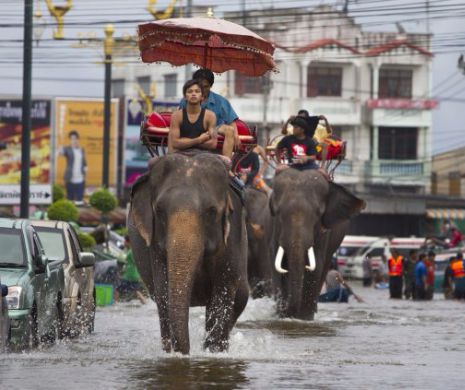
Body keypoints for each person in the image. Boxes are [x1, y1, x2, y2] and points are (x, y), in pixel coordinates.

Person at [180, 68, 239, 158]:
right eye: (200, 86)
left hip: (214, 129)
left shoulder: (221, 101)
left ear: (210, 86)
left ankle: (227, 163)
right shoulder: (185, 100)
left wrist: (236, 135)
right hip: (191, 128)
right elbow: (179, 119)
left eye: (206, 86)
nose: (203, 89)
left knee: (229, 130)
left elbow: (231, 121)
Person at [169, 79, 217, 153]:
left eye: (197, 91)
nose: (193, 94)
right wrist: (199, 140)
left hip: (203, 156)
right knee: (152, 162)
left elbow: (213, 144)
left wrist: (185, 141)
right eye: (190, 91)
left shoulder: (210, 116)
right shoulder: (176, 116)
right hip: (180, 155)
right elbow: (175, 143)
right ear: (185, 97)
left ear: (202, 97)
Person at [116, 236, 146, 304]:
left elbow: (136, 262)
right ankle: (145, 303)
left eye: (125, 241)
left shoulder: (131, 251)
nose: (124, 243)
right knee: (136, 291)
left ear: (128, 242)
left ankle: (115, 304)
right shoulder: (132, 250)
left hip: (130, 275)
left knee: (117, 290)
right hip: (133, 274)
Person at [60, 130, 87, 205]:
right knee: (69, 200)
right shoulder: (67, 149)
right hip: (70, 179)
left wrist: (85, 174)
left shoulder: (81, 150)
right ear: (70, 140)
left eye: (75, 138)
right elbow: (61, 153)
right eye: (72, 139)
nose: (73, 141)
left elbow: (84, 163)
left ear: (78, 139)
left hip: (80, 179)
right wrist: (60, 150)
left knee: (79, 201)